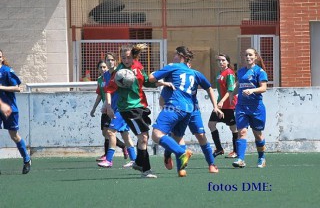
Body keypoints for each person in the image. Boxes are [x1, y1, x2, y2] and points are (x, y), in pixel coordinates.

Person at [160, 60, 224, 175]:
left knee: (201, 135)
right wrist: (166, 111)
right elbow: (162, 99)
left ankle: (211, 164)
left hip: (193, 110)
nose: (186, 66)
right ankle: (179, 166)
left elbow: (209, 88)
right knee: (177, 137)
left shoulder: (195, 74)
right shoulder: (172, 83)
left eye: (188, 64)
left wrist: (215, 106)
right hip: (176, 109)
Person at [104, 45, 157, 178]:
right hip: (128, 108)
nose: (126, 60)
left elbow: (145, 81)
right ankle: (146, 170)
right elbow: (109, 89)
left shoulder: (138, 66)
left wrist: (160, 82)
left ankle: (138, 162)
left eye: (128, 57)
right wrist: (109, 106)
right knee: (143, 137)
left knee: (145, 137)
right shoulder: (119, 72)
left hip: (141, 106)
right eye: (123, 58)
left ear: (133, 57)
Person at [90, 56, 136, 168]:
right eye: (108, 60)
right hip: (114, 108)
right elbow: (107, 92)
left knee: (110, 132)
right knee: (125, 134)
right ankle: (134, 160)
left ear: (115, 61)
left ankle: (109, 160)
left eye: (111, 60)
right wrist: (107, 105)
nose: (110, 62)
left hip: (123, 107)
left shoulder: (120, 73)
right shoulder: (105, 76)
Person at [230, 48, 268, 168]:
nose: (248, 57)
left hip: (256, 107)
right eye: (246, 55)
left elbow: (263, 88)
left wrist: (252, 90)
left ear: (255, 57)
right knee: (242, 132)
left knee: (258, 134)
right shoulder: (241, 72)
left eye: (250, 55)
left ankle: (261, 157)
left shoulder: (260, 71)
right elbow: (239, 85)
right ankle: (240, 159)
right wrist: (232, 94)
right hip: (241, 107)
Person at [0, 49, 31, 174]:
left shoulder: (7, 71)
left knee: (14, 135)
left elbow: (18, 88)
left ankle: (26, 159)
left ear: (2, 58)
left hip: (10, 109)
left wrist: (1, 87)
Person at [208, 53, 238, 158]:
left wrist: (221, 101)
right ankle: (219, 149)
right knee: (211, 124)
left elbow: (231, 90)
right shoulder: (220, 73)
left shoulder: (229, 73)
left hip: (230, 104)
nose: (221, 62)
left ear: (228, 62)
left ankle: (236, 151)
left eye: (223, 60)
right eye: (219, 60)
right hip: (221, 104)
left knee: (233, 128)